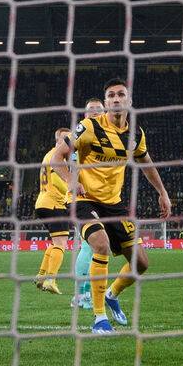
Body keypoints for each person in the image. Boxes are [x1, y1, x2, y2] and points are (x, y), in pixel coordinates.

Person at [52, 79, 172, 334]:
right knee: (100, 244)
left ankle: (112, 294)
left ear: (129, 101)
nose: (116, 99)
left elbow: (146, 163)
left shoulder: (135, 134)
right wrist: (71, 180)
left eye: (121, 95)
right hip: (83, 199)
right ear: (105, 103)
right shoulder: (88, 127)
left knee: (141, 263)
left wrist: (162, 192)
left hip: (114, 204)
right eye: (111, 95)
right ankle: (99, 319)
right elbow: (57, 157)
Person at [33, 127, 76, 295]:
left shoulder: (48, 155)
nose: (68, 143)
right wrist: (70, 189)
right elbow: (58, 181)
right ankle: (51, 279)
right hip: (54, 203)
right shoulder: (56, 157)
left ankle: (41, 275)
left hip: (43, 203)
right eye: (64, 139)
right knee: (61, 243)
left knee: (55, 242)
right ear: (57, 141)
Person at [72, 98, 105, 309]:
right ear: (85, 115)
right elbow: (70, 160)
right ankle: (80, 295)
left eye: (98, 110)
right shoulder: (82, 135)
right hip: (85, 200)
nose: (94, 113)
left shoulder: (107, 136)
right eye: (90, 111)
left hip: (103, 200)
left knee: (93, 247)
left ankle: (83, 295)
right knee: (90, 245)